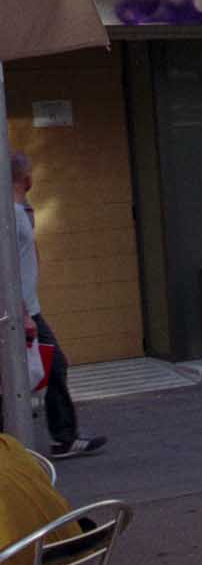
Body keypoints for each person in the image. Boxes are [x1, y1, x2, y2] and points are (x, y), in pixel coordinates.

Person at [10, 153, 105, 462]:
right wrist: (23, 314)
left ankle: (62, 438)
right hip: (20, 312)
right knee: (44, 368)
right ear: (26, 178)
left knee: (50, 366)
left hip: (26, 308)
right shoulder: (11, 214)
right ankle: (59, 439)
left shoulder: (20, 211)